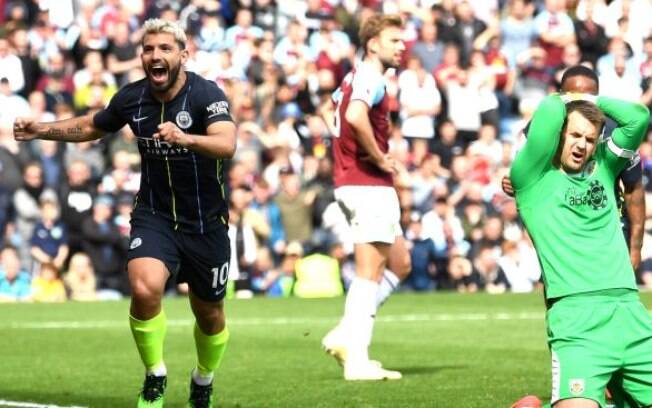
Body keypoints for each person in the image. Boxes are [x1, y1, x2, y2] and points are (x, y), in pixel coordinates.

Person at [13, 19, 236, 408]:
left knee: (210, 315)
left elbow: (227, 143)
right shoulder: (132, 98)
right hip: (155, 215)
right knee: (145, 287)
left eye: (165, 48)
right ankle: (155, 375)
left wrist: (187, 138)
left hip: (206, 222)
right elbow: (93, 126)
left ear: (183, 55)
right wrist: (41, 130)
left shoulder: (207, 95)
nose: (155, 56)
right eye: (149, 49)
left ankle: (203, 379)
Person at [510, 89, 652, 407]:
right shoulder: (530, 178)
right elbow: (547, 108)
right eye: (574, 135)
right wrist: (572, 97)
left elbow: (639, 117)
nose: (581, 145)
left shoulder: (603, 165)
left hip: (630, 313)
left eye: (589, 139)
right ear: (558, 135)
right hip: (577, 323)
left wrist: (593, 100)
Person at [320, 14, 411, 381]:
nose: (401, 46)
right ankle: (356, 357)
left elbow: (330, 111)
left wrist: (342, 148)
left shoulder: (353, 76)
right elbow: (356, 115)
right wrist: (374, 156)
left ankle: (347, 334)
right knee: (369, 271)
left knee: (399, 263)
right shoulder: (371, 77)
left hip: (358, 181)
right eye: (394, 40)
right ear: (373, 43)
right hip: (366, 181)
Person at [502, 65, 646, 273]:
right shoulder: (542, 127)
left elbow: (634, 190)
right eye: (574, 97)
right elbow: (524, 176)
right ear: (561, 97)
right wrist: (512, 183)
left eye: (589, 98)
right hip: (560, 228)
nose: (582, 103)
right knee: (561, 296)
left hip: (607, 228)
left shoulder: (616, 133)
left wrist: (635, 247)